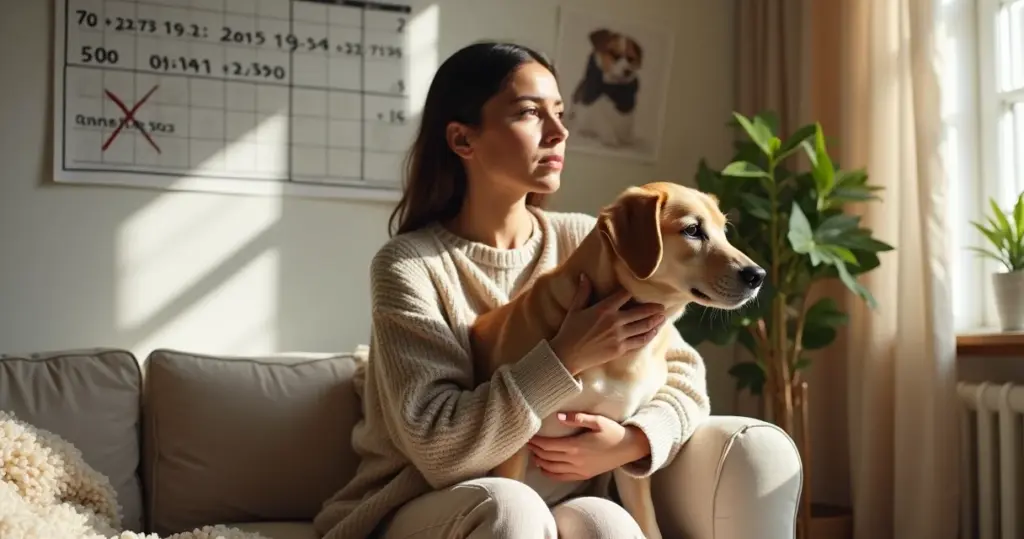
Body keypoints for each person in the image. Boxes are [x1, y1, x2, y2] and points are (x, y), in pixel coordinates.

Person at [313, 41, 711, 539]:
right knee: (511, 507)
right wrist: (565, 354)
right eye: (529, 112)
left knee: (606, 522)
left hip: (555, 497)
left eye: (560, 112)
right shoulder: (409, 266)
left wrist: (631, 442)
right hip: (422, 502)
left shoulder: (585, 239)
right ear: (462, 139)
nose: (559, 132)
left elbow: (683, 373)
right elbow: (439, 449)